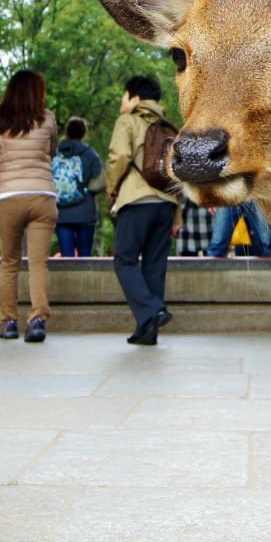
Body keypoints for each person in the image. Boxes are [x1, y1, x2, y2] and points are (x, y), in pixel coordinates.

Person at [106, 74, 180, 345]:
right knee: (154, 264)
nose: (121, 102)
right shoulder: (170, 128)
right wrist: (177, 214)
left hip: (137, 200)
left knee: (124, 259)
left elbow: (120, 156)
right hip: (165, 205)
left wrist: (112, 186)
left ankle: (152, 310)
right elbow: (177, 174)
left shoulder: (127, 121)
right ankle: (148, 330)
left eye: (124, 96)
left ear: (135, 98)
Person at [0, 70, 58, 343]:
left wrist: (1, 158)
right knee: (38, 263)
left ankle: (8, 322)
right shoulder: (47, 118)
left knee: (9, 263)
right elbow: (51, 151)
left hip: (10, 196)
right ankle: (37, 320)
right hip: (41, 194)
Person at [53, 116, 105, 257]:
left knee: (67, 257)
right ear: (84, 133)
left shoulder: (55, 152)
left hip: (61, 212)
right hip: (85, 212)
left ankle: (67, 279)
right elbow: (102, 179)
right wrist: (88, 191)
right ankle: (85, 279)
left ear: (67, 132)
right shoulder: (89, 153)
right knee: (84, 256)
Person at [206, 200, 271, 257]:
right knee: (218, 246)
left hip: (255, 192)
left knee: (266, 245)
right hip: (229, 192)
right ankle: (209, 271)